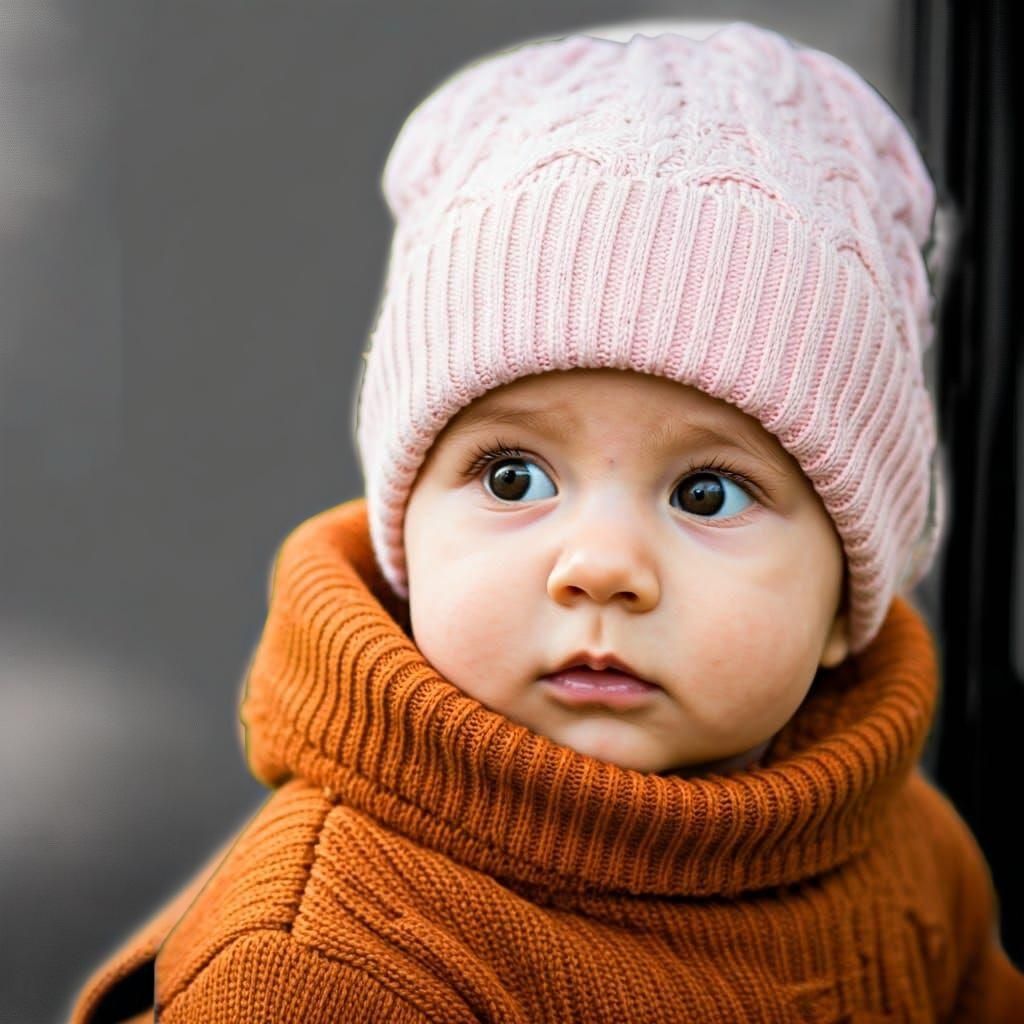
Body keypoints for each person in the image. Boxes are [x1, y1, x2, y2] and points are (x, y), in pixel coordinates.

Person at [69, 21, 1024, 1022]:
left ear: (843, 599)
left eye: (706, 493)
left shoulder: (909, 854)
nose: (600, 566)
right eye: (514, 477)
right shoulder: (328, 968)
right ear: (409, 542)